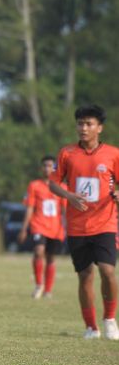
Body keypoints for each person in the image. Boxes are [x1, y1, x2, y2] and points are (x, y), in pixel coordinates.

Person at [48, 104, 118, 340]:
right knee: (85, 275)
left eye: (89, 124)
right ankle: (91, 327)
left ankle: (110, 320)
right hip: (77, 226)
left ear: (100, 128)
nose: (84, 128)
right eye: (80, 123)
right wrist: (68, 196)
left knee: (107, 271)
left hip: (105, 223)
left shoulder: (113, 154)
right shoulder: (67, 153)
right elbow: (53, 183)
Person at [18, 155, 66, 299]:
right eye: (45, 166)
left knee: (51, 257)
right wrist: (23, 229)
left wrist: (67, 228)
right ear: (41, 168)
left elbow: (65, 211)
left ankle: (48, 291)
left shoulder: (62, 187)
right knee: (39, 251)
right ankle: (39, 284)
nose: (47, 169)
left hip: (56, 228)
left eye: (50, 166)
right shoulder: (34, 186)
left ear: (55, 169)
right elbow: (29, 208)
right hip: (39, 225)